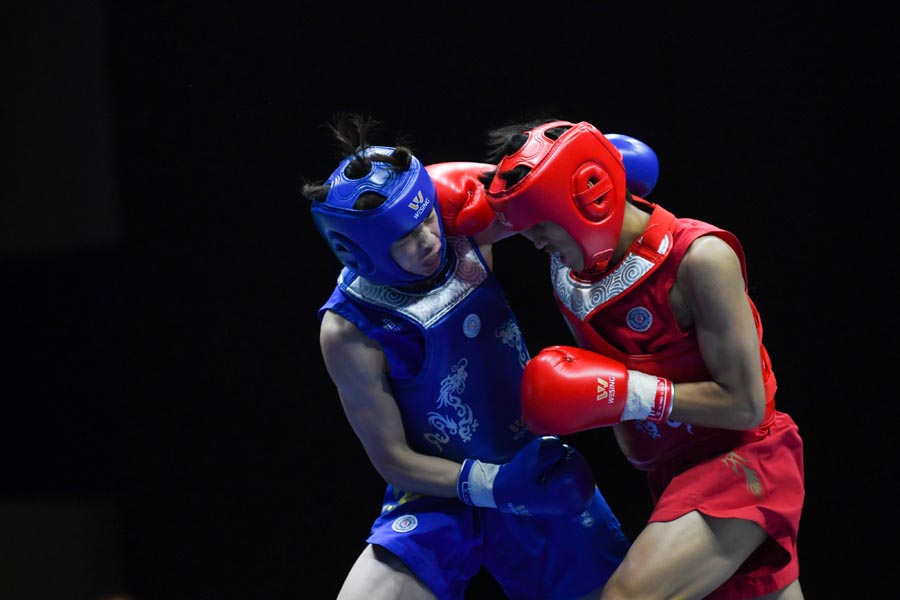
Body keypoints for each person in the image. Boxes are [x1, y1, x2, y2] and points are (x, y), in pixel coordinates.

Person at [302, 113, 630, 600]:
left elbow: (541, 187)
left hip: (531, 467)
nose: (429, 241)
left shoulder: (461, 227)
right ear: (357, 253)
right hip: (441, 492)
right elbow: (392, 459)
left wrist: (603, 165)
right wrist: (492, 486)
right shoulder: (348, 329)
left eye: (425, 218)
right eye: (405, 239)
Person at [477, 119, 805, 599]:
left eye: (541, 227)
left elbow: (746, 405)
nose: (537, 244)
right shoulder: (572, 274)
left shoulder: (700, 259)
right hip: (668, 472)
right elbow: (474, 220)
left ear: (584, 200)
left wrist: (627, 393)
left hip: (743, 459)